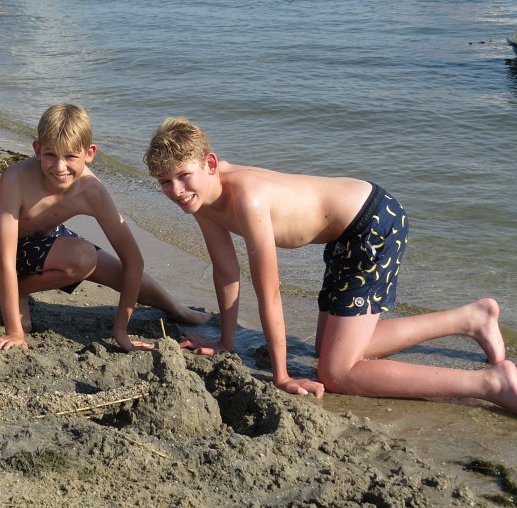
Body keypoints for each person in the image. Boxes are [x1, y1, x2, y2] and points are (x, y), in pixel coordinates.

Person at [143, 117, 517, 413]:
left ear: (209, 164)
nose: (175, 190)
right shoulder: (199, 198)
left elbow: (268, 289)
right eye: (164, 182)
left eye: (182, 176)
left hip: (372, 224)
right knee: (329, 349)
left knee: (336, 372)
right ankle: (470, 319)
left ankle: (490, 384)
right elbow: (226, 272)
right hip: (346, 232)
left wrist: (282, 375)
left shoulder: (248, 197)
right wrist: (226, 342)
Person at [0, 104, 210, 352]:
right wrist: (14, 331)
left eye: (71, 156)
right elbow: (6, 258)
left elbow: (133, 262)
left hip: (42, 241)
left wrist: (121, 332)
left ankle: (178, 310)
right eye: (50, 155)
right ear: (37, 149)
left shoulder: (91, 190)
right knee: (83, 257)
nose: (60, 167)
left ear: (90, 153)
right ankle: (20, 292)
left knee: (124, 275)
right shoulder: (16, 177)